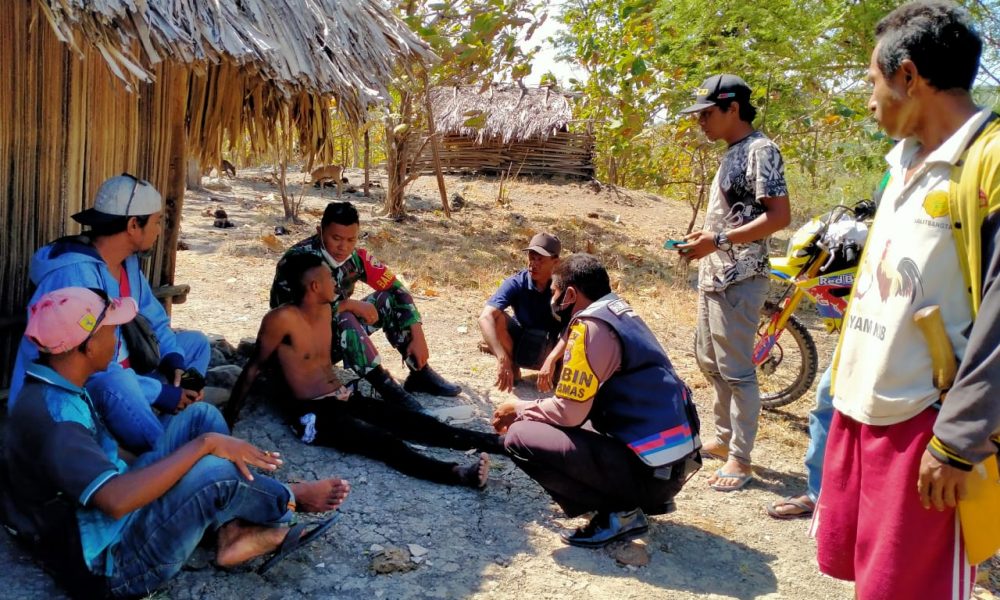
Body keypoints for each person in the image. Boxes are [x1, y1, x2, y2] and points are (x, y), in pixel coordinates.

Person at [814, 3, 1000, 599]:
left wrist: (959, 441)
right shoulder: (902, 163)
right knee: (870, 581)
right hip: (864, 408)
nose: (871, 98)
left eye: (873, 81)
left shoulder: (987, 164)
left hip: (926, 425)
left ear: (909, 76)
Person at [0, 287, 350, 598]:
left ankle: (231, 532)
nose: (118, 338)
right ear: (87, 345)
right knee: (213, 468)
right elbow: (117, 501)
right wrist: (202, 448)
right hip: (113, 564)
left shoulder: (53, 387)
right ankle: (288, 500)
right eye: (111, 330)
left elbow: (97, 467)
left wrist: (193, 448)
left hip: (95, 523)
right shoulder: (58, 419)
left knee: (201, 419)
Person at [231, 253, 502, 489]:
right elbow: (253, 368)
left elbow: (348, 304)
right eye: (329, 278)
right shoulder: (281, 320)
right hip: (311, 414)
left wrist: (353, 305)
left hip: (341, 397)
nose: (335, 283)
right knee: (383, 442)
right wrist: (228, 417)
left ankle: (496, 443)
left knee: (414, 422)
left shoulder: (326, 309)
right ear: (314, 286)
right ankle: (458, 474)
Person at [492, 254, 702, 548]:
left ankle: (620, 512)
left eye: (554, 292)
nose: (551, 299)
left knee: (520, 436)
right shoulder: (619, 312)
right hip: (670, 468)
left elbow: (568, 412)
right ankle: (634, 498)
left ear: (571, 295)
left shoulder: (589, 328)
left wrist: (519, 409)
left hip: (652, 476)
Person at [8, 174, 211, 454]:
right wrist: (161, 393)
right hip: (86, 385)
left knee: (196, 344)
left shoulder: (127, 265)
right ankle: (162, 454)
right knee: (119, 382)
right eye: (157, 221)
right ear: (132, 225)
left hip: (125, 368)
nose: (160, 229)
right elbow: (83, 365)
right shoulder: (75, 276)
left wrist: (176, 365)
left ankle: (176, 408)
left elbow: (156, 320)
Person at [677, 74, 791, 491]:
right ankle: (724, 440)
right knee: (712, 364)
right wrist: (703, 241)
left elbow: (779, 217)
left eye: (707, 114)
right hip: (714, 276)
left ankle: (741, 458)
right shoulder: (732, 152)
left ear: (733, 109)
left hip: (740, 278)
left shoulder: (762, 150)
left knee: (738, 371)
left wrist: (719, 240)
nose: (700, 122)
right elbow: (737, 214)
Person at [271, 201, 459, 412]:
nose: (343, 247)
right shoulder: (298, 261)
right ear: (320, 231)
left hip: (328, 339)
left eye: (351, 239)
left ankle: (420, 373)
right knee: (345, 317)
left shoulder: (355, 257)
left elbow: (396, 288)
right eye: (336, 238)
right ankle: (385, 386)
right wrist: (348, 305)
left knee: (388, 297)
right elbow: (291, 316)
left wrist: (417, 332)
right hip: (298, 350)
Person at [478, 232, 566, 392]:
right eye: (531, 258)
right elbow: (485, 317)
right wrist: (501, 357)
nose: (533, 264)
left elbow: (575, 329)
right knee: (496, 318)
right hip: (521, 344)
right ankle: (512, 367)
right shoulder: (516, 282)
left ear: (556, 262)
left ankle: (554, 371)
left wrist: (552, 359)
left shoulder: (565, 287)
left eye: (540, 259)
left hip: (552, 347)